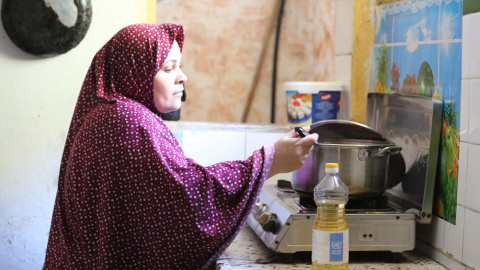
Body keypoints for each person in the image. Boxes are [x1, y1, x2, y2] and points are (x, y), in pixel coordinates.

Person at [43, 23, 318, 269]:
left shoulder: (108, 113)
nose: (182, 77)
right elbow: (187, 195)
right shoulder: (127, 118)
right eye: (168, 68)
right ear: (134, 72)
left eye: (180, 66)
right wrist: (269, 160)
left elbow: (171, 186)